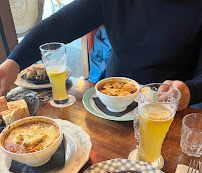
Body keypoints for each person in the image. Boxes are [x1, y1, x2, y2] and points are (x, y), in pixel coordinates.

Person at [0, 0, 202, 111]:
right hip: (108, 102)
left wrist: (190, 91)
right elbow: (60, 24)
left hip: (164, 108)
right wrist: (13, 63)